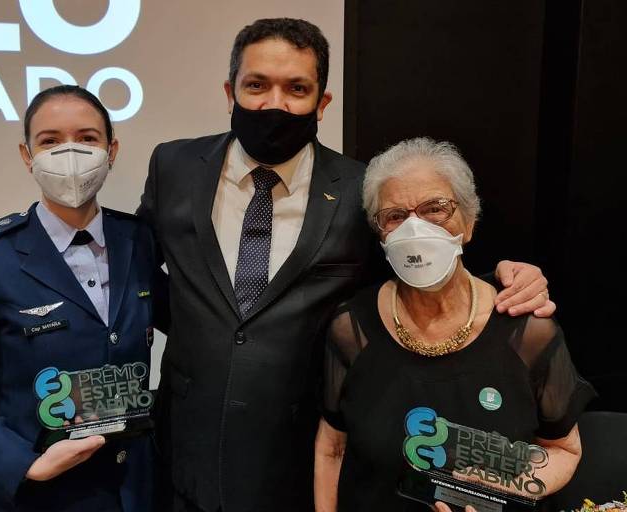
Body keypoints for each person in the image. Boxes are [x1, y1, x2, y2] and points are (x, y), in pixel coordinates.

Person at [139, 18, 554, 512]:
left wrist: (503, 278)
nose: (275, 103)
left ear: (322, 101)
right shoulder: (174, 167)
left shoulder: (359, 190)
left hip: (301, 455)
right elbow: (136, 273)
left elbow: (415, 275)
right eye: (256, 85)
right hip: (188, 447)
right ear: (230, 92)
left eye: (297, 88)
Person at [0, 85, 166, 512]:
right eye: (50, 141)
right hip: (44, 496)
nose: (70, 153)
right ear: (27, 155)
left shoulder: (139, 240)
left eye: (87, 139)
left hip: (136, 489)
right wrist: (24, 465)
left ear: (112, 150)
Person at [314, 137, 596, 511]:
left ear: (468, 222)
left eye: (435, 208)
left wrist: (507, 488)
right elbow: (332, 449)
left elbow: (563, 450)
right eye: (395, 216)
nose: (414, 229)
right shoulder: (351, 328)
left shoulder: (526, 330)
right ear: (379, 232)